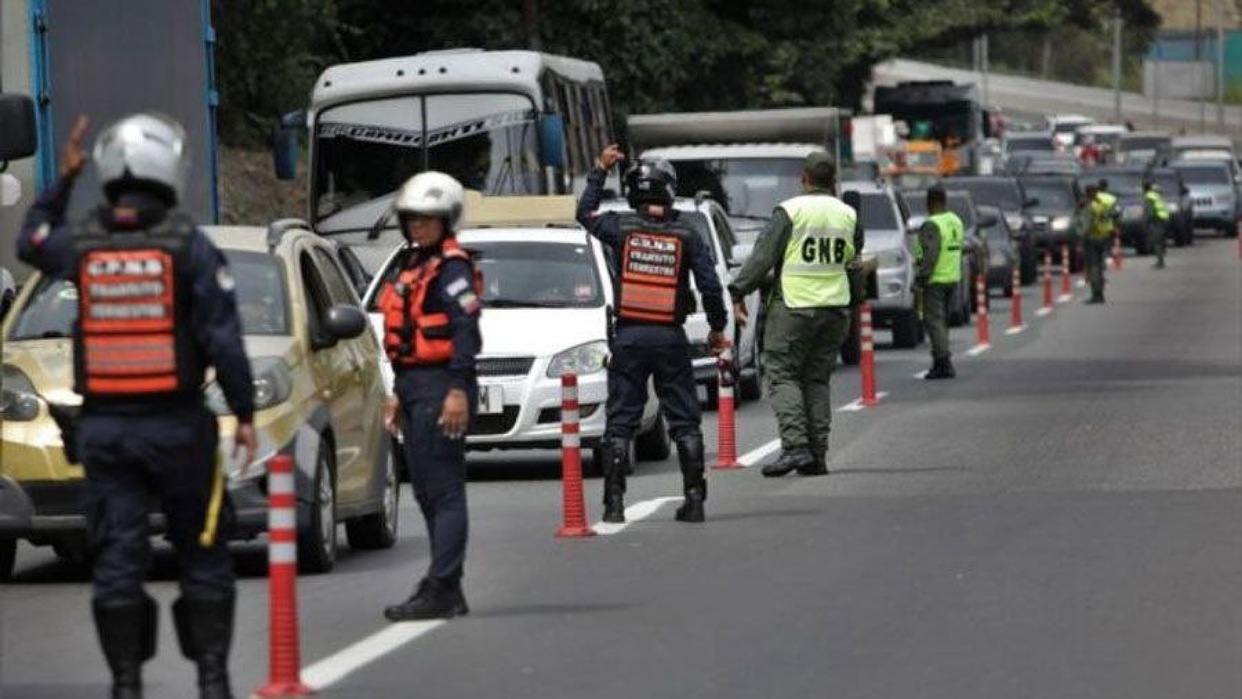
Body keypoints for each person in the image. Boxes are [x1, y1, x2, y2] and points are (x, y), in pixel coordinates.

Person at [18, 114, 257, 699]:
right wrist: (246, 415)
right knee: (202, 552)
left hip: (106, 434)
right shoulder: (188, 245)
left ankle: (126, 684)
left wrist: (63, 181)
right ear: (167, 170)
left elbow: (32, 240)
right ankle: (212, 679)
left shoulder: (85, 244)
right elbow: (223, 340)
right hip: (180, 430)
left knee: (117, 558)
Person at [577, 145, 728, 523]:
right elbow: (710, 286)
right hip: (670, 339)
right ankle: (694, 501)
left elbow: (584, 214)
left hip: (629, 338)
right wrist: (717, 327)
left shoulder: (621, 228)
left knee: (620, 422)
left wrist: (599, 169)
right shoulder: (687, 234)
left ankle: (613, 506)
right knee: (684, 420)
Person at [379, 171, 482, 620]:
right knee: (423, 489)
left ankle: (442, 586)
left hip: (443, 386)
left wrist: (458, 389)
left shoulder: (453, 268)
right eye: (411, 219)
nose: (417, 227)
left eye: (427, 219)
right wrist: (398, 392)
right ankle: (446, 584)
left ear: (447, 220)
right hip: (415, 387)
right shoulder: (413, 264)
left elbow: (466, 332)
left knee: (443, 491)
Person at [728, 152, 860, 476]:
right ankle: (817, 455)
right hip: (835, 310)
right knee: (816, 379)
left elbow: (763, 257)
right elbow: (852, 261)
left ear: (804, 179)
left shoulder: (791, 210)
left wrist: (737, 291)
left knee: (783, 374)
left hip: (795, 307)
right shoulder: (849, 214)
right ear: (834, 182)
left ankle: (795, 447)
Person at [916, 184, 965, 380]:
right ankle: (940, 360)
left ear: (929, 202)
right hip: (952, 277)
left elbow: (930, 255)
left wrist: (921, 278)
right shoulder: (955, 221)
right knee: (942, 323)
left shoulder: (932, 224)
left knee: (934, 323)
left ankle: (943, 363)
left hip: (935, 280)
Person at [1084, 182, 1119, 303]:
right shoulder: (1104, 204)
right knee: (1099, 266)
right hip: (1105, 236)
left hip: (1093, 238)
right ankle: (1101, 290)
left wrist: (1081, 237)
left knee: (1093, 267)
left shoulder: (1090, 207)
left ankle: (1096, 294)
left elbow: (1086, 226)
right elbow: (1114, 215)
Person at [1142, 178, 1169, 269]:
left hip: (1157, 220)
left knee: (1156, 241)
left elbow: (1150, 211)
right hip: (1163, 218)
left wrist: (1145, 221)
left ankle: (1160, 262)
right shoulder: (1155, 195)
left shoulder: (1148, 197)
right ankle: (1160, 260)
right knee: (1159, 240)